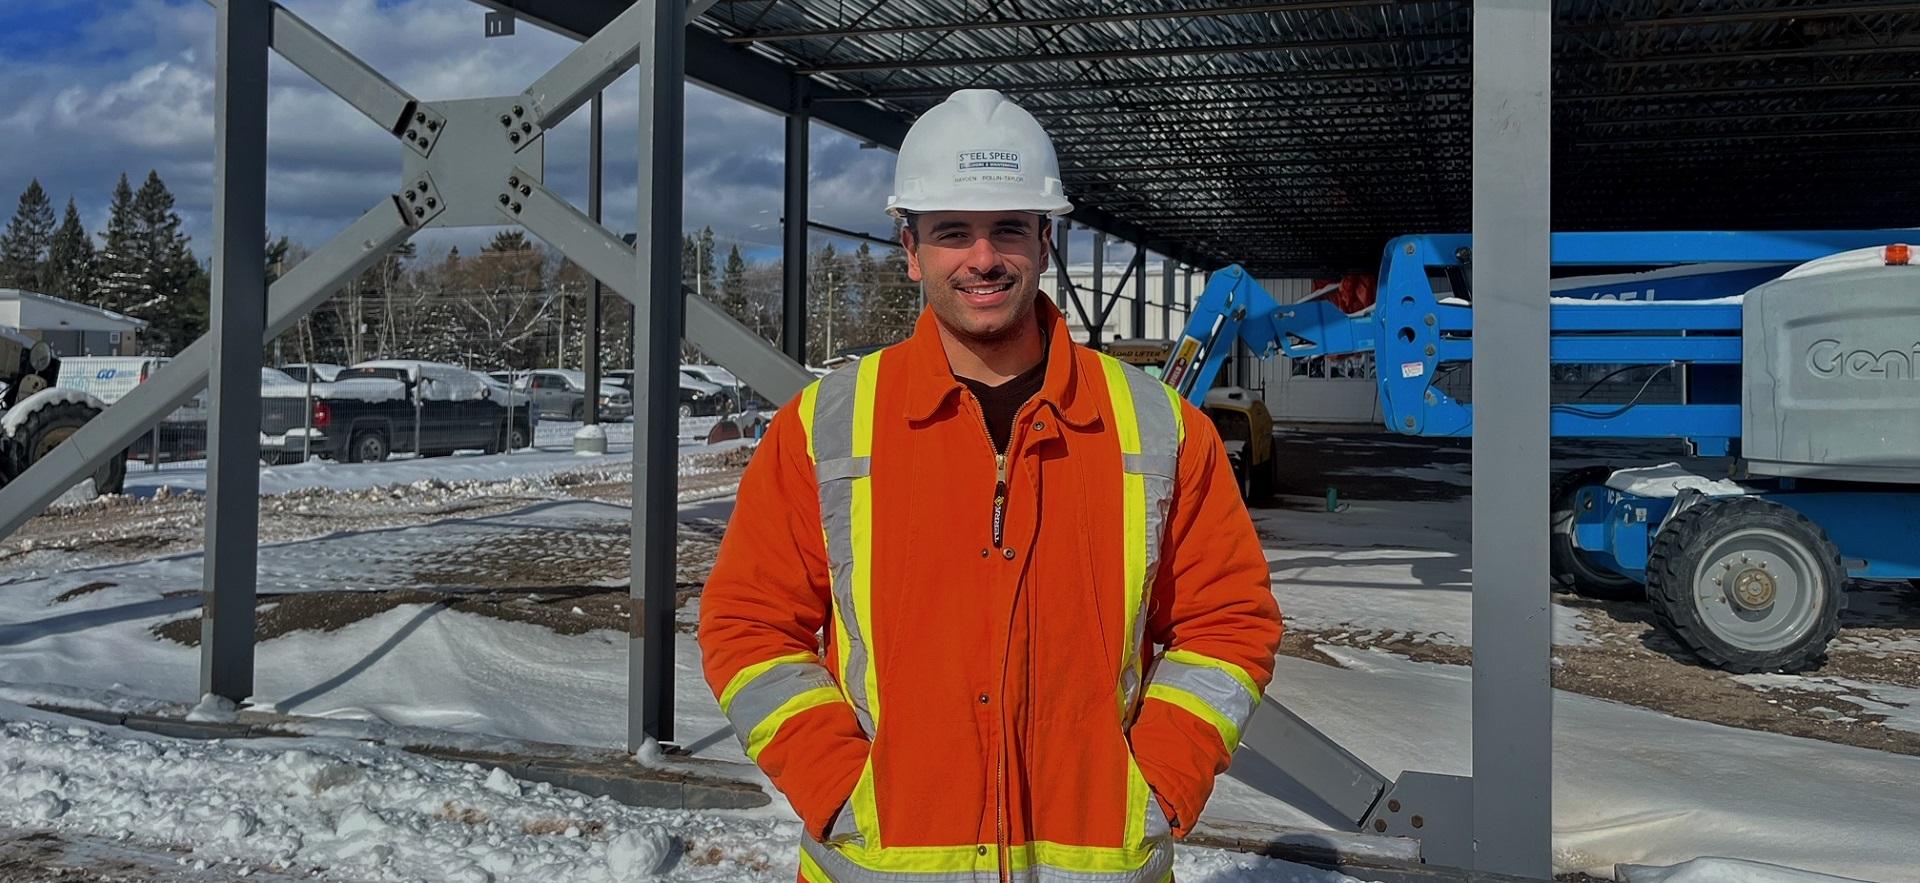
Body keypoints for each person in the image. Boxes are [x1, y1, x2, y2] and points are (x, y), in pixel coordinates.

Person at [699, 89, 1282, 883]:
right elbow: (749, 626)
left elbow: (1229, 622)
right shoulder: (823, 426)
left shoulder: (1162, 429)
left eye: (1009, 227)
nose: (983, 257)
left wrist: (1153, 784)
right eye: (952, 233)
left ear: (1045, 242)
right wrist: (840, 785)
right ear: (910, 249)